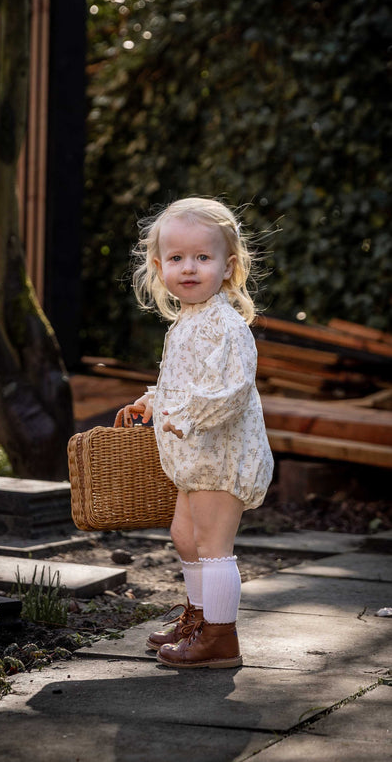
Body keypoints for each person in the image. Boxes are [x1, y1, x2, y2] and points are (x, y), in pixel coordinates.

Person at [129, 196, 274, 669]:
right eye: (176, 258)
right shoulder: (187, 322)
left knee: (212, 545)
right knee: (184, 536)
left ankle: (220, 636)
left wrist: (187, 416)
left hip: (222, 457)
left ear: (228, 267)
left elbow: (231, 389)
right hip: (194, 459)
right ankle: (198, 616)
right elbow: (182, 382)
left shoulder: (227, 325)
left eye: (202, 258)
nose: (188, 268)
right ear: (159, 266)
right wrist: (153, 401)